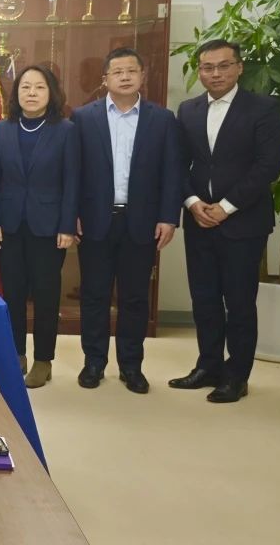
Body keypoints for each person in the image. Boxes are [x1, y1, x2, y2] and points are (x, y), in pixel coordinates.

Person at [171, 39, 280, 403]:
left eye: (223, 66)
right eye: (208, 67)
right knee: (204, 299)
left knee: (239, 303)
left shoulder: (264, 108)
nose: (215, 73)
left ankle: (237, 375)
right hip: (199, 220)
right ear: (199, 71)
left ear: (239, 67)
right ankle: (208, 366)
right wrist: (192, 203)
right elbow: (178, 164)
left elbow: (268, 166)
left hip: (243, 223)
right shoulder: (188, 110)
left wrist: (226, 206)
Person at [70, 48, 181, 394]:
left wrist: (169, 217)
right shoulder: (83, 117)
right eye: (117, 72)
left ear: (142, 76)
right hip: (95, 220)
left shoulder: (162, 120)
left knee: (135, 298)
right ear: (105, 79)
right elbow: (73, 172)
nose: (125, 77)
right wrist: (71, 214)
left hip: (142, 221)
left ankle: (131, 366)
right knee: (94, 295)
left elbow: (172, 172)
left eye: (131, 70)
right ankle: (94, 362)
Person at [0, 64, 79, 388]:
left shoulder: (66, 130)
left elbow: (72, 181)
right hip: (10, 223)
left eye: (39, 87)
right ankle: (17, 354)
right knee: (12, 293)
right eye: (25, 87)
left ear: (51, 93)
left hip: (49, 226)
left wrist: (67, 225)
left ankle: (43, 360)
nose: (31, 93)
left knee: (46, 294)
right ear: (17, 93)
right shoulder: (2, 130)